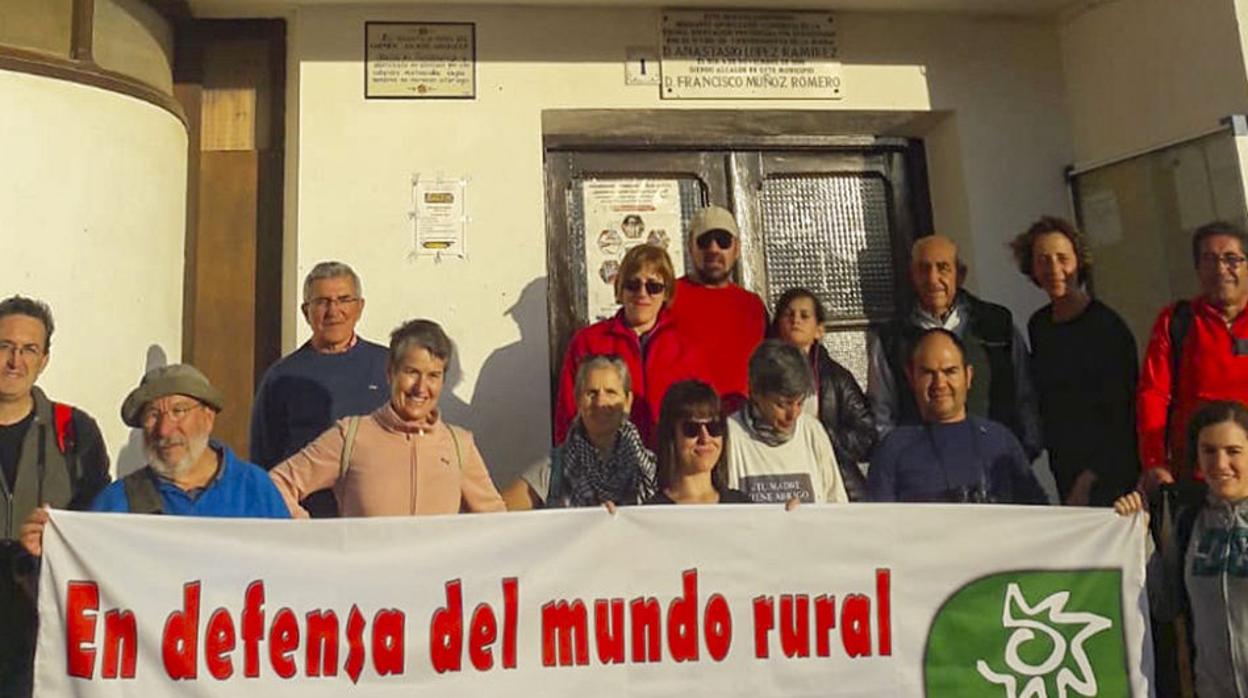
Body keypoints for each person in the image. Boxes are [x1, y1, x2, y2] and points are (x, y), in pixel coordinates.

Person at [269, 319, 505, 516]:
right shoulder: (350, 436)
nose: (421, 388)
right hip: (365, 572)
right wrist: (314, 537)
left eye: (433, 375)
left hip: (436, 573)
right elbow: (277, 485)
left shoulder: (459, 445)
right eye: (411, 372)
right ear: (390, 373)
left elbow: (496, 525)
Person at [0, 296, 110, 698]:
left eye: (29, 349)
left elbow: (99, 526)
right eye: (5, 346)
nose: (15, 360)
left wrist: (57, 539)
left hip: (43, 626)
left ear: (44, 359)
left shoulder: (75, 431)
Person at [1114, 400, 1248, 698]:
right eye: (1209, 451)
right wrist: (1137, 533)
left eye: (1233, 451)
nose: (1220, 463)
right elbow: (1166, 603)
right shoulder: (1188, 523)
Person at [867, 235, 1042, 458]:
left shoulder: (996, 324)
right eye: (924, 269)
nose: (933, 278)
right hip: (924, 469)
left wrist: (1027, 449)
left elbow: (1025, 393)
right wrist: (902, 461)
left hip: (996, 462)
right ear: (912, 275)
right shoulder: (892, 339)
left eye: (943, 268)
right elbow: (881, 410)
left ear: (960, 274)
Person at [1009, 216, 1138, 506]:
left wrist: (1088, 479)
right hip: (1064, 464)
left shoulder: (1106, 326)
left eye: (1062, 259)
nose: (1054, 269)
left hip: (1111, 472)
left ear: (1078, 263)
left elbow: (1122, 414)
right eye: (1043, 260)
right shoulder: (1039, 325)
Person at [249, 261, 389, 517]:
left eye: (344, 300)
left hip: (378, 518)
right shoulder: (281, 377)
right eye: (323, 301)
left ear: (359, 307)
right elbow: (265, 458)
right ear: (306, 311)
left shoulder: (389, 367)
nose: (333, 310)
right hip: (309, 520)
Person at [868, 328, 1047, 504]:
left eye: (950, 371)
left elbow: (1038, 515)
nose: (940, 383)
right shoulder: (892, 450)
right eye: (928, 373)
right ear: (912, 378)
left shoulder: (1001, 441)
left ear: (968, 376)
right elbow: (879, 525)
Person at [85, 364, 290, 517]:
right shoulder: (116, 502)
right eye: (153, 415)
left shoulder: (255, 489)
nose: (164, 430)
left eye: (179, 411)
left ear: (208, 418)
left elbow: (286, 561)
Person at [555, 244, 705, 447]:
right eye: (633, 285)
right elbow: (568, 413)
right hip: (604, 464)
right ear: (620, 289)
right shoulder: (589, 342)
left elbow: (701, 413)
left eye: (653, 287)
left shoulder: (686, 345)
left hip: (670, 466)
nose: (642, 294)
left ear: (666, 293)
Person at [1138, 221, 1248, 491]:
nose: (1221, 269)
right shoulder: (1177, 321)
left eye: (1231, 259)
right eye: (1209, 260)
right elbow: (1153, 395)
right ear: (1198, 268)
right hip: (1196, 477)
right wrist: (1155, 462)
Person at [505, 355, 655, 509]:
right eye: (592, 393)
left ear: (627, 401)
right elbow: (497, 516)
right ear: (577, 400)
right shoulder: (553, 470)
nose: (601, 402)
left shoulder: (651, 471)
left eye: (611, 392)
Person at [770, 288, 875, 500]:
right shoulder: (763, 377)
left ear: (819, 330)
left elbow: (866, 435)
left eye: (804, 315)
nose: (795, 320)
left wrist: (823, 437)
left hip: (833, 474)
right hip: (779, 473)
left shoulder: (836, 378)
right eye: (788, 314)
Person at [668, 205, 768, 412]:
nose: (713, 249)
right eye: (704, 241)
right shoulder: (666, 297)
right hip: (688, 425)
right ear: (690, 247)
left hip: (745, 425)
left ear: (737, 248)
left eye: (723, 241)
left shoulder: (752, 306)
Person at [725, 340, 848, 504]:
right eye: (782, 405)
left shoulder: (812, 431)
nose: (793, 415)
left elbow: (836, 503)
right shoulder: (731, 435)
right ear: (755, 393)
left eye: (799, 403)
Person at [647, 380, 750, 505]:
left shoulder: (741, 505)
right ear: (671, 435)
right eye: (691, 429)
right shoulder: (650, 512)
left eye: (714, 427)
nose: (705, 438)